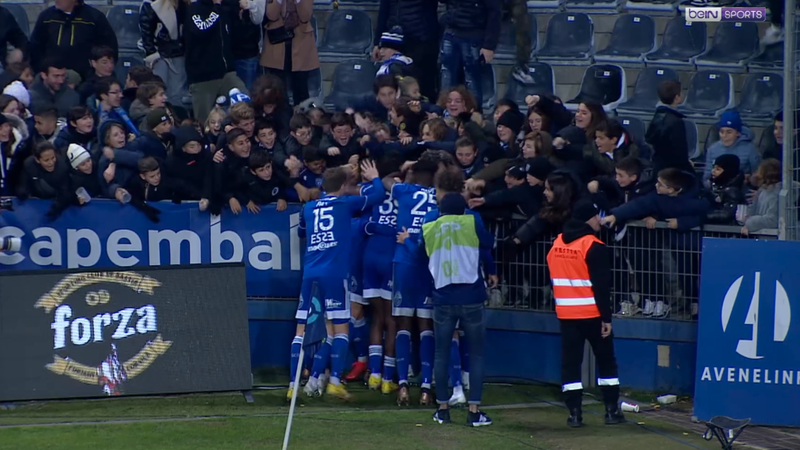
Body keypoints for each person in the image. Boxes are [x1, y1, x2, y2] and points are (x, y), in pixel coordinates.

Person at [400, 167, 496, 426]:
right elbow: (488, 244)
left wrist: (408, 240)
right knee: (475, 355)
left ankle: (442, 409)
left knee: (441, 354)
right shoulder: (472, 220)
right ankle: (474, 411)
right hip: (472, 296)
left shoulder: (431, 225)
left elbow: (419, 256)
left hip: (442, 297)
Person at [288, 160, 385, 401]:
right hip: (334, 274)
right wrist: (373, 177)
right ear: (343, 186)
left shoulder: (309, 208)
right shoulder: (346, 204)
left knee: (301, 330)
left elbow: (301, 231)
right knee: (339, 328)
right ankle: (333, 382)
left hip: (310, 274)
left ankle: (293, 384)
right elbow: (379, 195)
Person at [546, 200, 624, 428]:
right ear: (588, 219)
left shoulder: (557, 242)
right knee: (607, 363)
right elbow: (601, 287)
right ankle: (611, 411)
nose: (599, 220)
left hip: (566, 314)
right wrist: (606, 318)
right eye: (596, 216)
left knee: (570, 364)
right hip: (592, 314)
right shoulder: (593, 246)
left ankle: (574, 415)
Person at [384, 158, 439, 406]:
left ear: (415, 174)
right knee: (427, 325)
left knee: (403, 324)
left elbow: (385, 181)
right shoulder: (440, 196)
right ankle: (427, 388)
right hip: (429, 265)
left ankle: (403, 385)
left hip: (404, 263)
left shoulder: (405, 190)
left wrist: (403, 169)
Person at [184, 0, 247, 123]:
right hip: (203, 77)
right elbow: (201, 29)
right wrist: (216, 10)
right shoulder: (194, 9)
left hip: (227, 72)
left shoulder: (224, 9)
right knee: (204, 120)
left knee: (245, 103)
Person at [29, 0, 118, 80]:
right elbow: (35, 48)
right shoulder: (46, 17)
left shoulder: (94, 18)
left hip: (86, 78)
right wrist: (43, 70)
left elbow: (109, 49)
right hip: (50, 77)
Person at [438, 0, 501, 107]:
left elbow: (495, 11)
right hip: (450, 31)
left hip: (473, 34)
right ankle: (444, 113)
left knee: (472, 79)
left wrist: (489, 45)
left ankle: (473, 115)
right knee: (446, 76)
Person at [372, 0, 439, 100]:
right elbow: (384, 11)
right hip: (395, 38)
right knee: (396, 80)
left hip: (421, 41)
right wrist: (377, 42)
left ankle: (423, 109)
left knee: (422, 82)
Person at [261, 0, 319, 106]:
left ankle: (301, 119)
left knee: (301, 89)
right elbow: (271, 15)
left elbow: (305, 16)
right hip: (277, 44)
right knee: (278, 89)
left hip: (301, 46)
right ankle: (282, 118)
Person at [139, 0, 188, 106]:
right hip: (159, 56)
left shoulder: (184, 4)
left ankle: (175, 118)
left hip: (179, 54)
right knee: (158, 91)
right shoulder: (150, 4)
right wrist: (152, 53)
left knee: (177, 94)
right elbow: (146, 33)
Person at [645, 80, 692, 174]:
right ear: (677, 97)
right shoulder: (676, 122)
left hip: (658, 167)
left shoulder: (657, 116)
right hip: (672, 172)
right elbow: (680, 152)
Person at [703, 111, 759, 187]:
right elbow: (706, 178)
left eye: (729, 132)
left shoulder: (750, 149)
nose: (724, 136)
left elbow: (759, 174)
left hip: (742, 193)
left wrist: (749, 179)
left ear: (738, 133)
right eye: (721, 132)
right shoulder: (712, 149)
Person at [229, 0, 265, 91]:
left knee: (246, 93)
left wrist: (250, 5)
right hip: (222, 53)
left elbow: (258, 19)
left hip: (247, 52)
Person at [742, 159, 781, 236]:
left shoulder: (777, 193)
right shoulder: (761, 191)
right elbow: (752, 211)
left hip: (775, 240)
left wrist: (750, 223)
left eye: (759, 171)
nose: (757, 174)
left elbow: (773, 220)